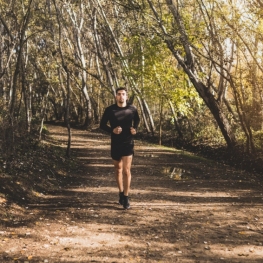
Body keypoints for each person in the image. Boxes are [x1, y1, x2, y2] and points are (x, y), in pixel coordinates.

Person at [100, 87, 140, 209]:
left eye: (123, 94)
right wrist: (112, 130)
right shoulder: (110, 110)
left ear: (126, 96)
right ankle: (121, 192)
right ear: (116, 96)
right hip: (115, 143)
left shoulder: (132, 109)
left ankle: (126, 198)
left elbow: (137, 120)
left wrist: (135, 129)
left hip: (128, 143)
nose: (121, 96)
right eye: (119, 94)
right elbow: (102, 125)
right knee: (118, 169)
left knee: (126, 170)